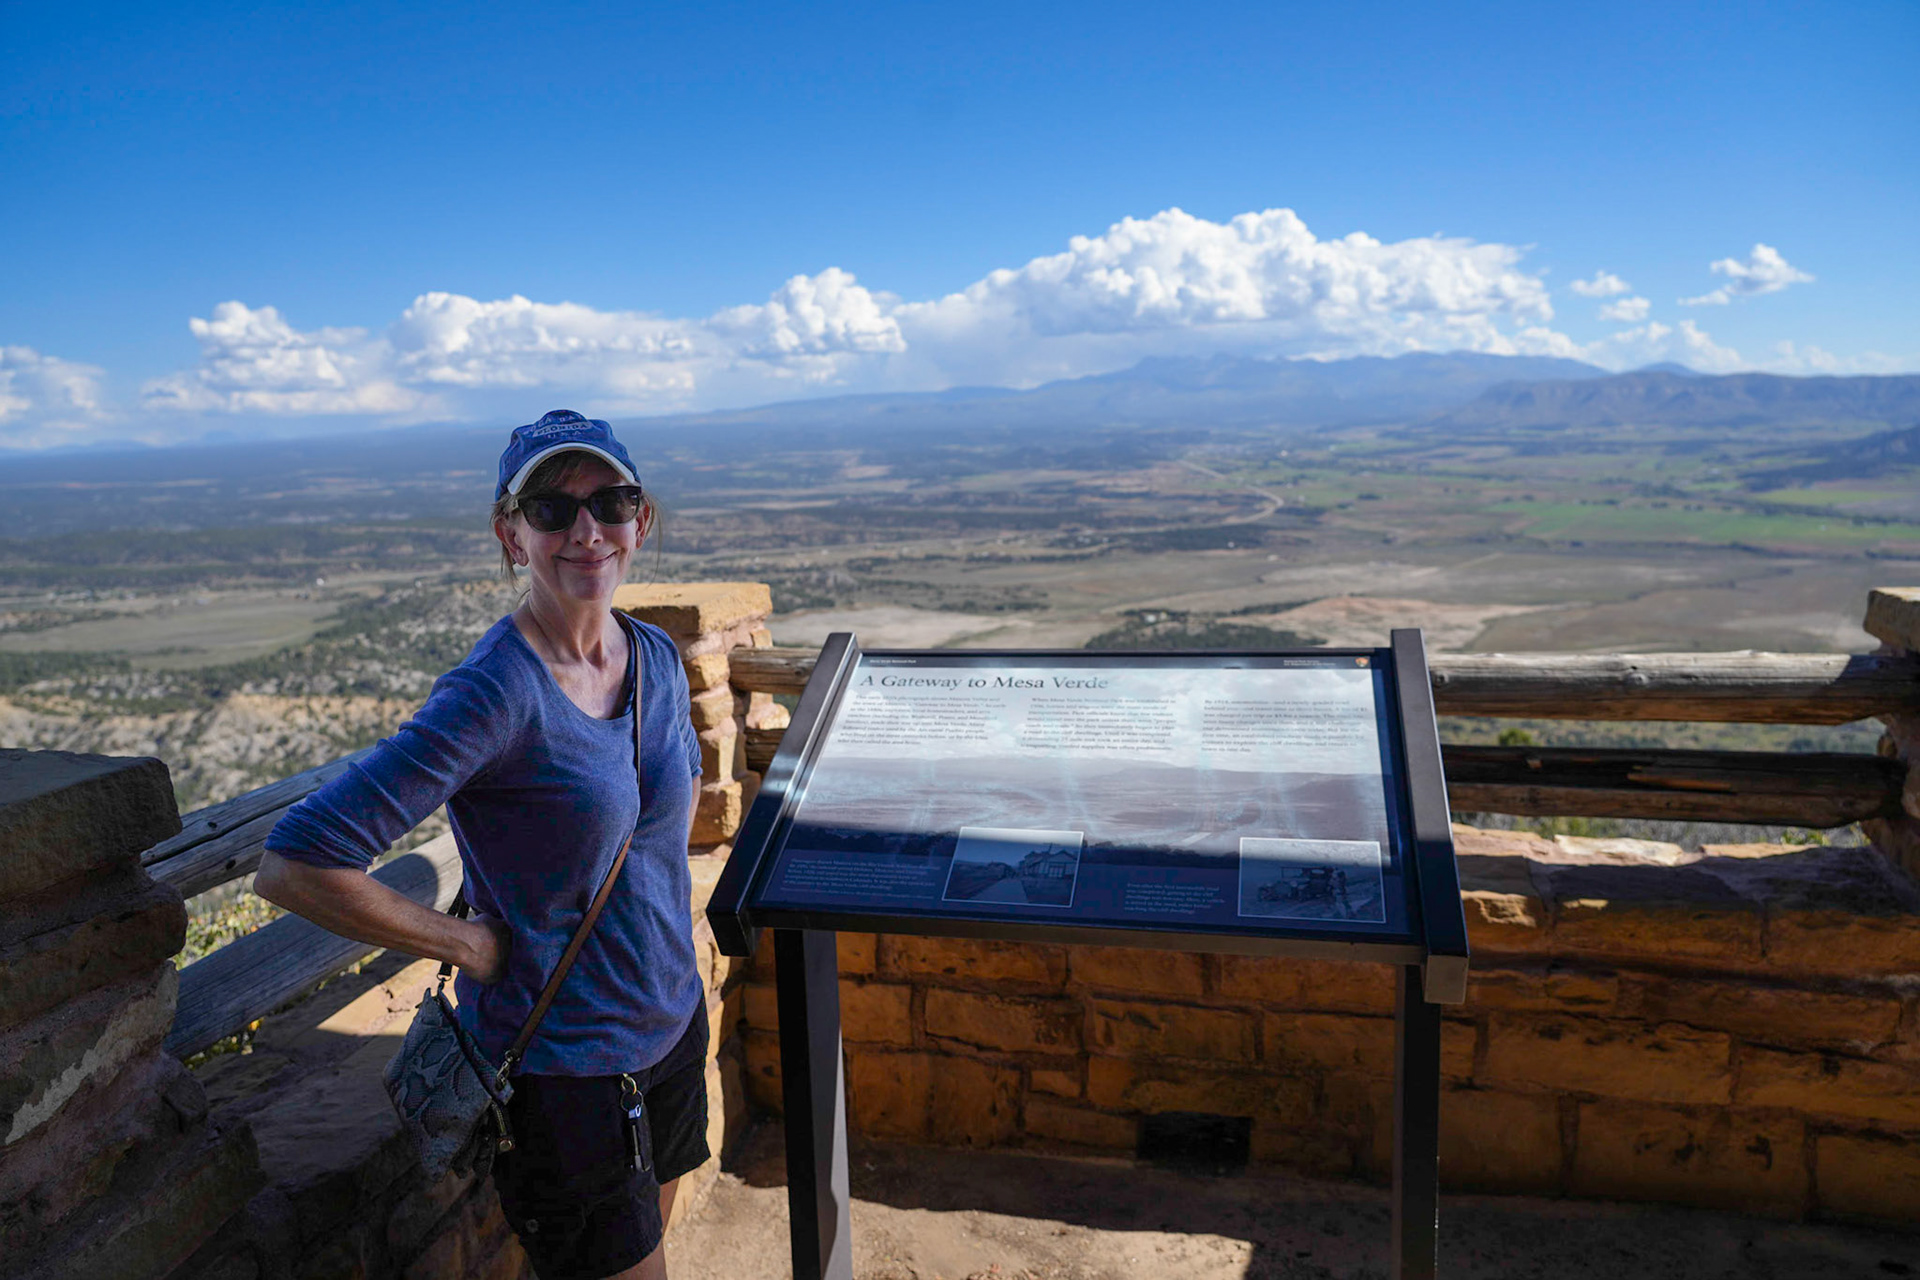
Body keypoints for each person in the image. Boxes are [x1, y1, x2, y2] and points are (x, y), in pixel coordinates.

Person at [256, 409, 707, 1280]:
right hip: (569, 1074)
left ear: (639, 522)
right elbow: (297, 862)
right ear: (511, 535)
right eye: (551, 508)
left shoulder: (654, 657)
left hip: (671, 1026)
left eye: (611, 501)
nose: (586, 529)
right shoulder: (495, 692)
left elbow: (658, 833)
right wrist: (468, 944)